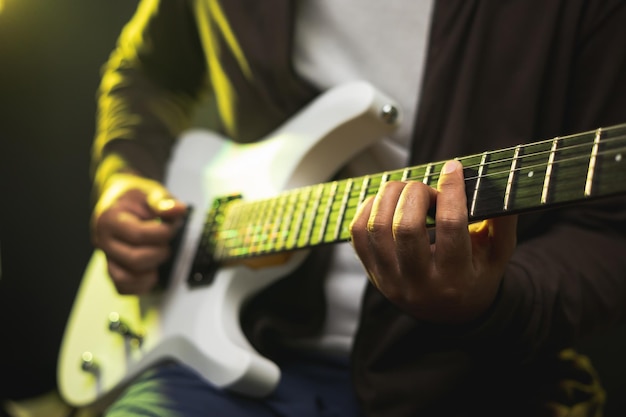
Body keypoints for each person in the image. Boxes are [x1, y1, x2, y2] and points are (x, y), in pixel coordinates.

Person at [88, 1, 626, 416]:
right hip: (230, 357)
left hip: (473, 385)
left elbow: (608, 231)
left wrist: (492, 298)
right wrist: (125, 175)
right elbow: (147, 73)